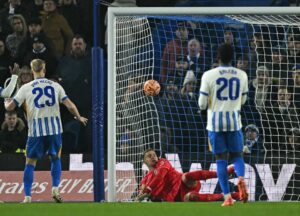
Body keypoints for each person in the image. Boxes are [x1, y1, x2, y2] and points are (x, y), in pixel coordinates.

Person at [4, 58, 88, 203]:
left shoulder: (26, 87)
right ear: (44, 69)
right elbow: (69, 104)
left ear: (32, 71)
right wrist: (78, 116)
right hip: (54, 129)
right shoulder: (55, 86)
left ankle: (28, 196)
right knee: (55, 159)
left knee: (30, 163)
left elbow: (10, 108)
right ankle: (55, 188)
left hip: (36, 131)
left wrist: (6, 102)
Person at [198, 43, 249, 206]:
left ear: (218, 56)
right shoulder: (242, 75)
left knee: (221, 159)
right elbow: (244, 100)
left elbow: (202, 104)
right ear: (232, 57)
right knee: (237, 155)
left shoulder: (208, 75)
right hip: (234, 122)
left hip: (215, 125)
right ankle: (241, 178)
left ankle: (227, 197)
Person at [135, 149, 239, 202]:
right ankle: (229, 195)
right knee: (191, 197)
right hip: (176, 197)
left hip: (185, 183)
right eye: (149, 156)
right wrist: (140, 195)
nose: (153, 157)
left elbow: (159, 176)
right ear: (144, 161)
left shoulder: (162, 162)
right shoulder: (146, 178)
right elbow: (142, 190)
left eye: (154, 155)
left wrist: (148, 191)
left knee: (186, 176)